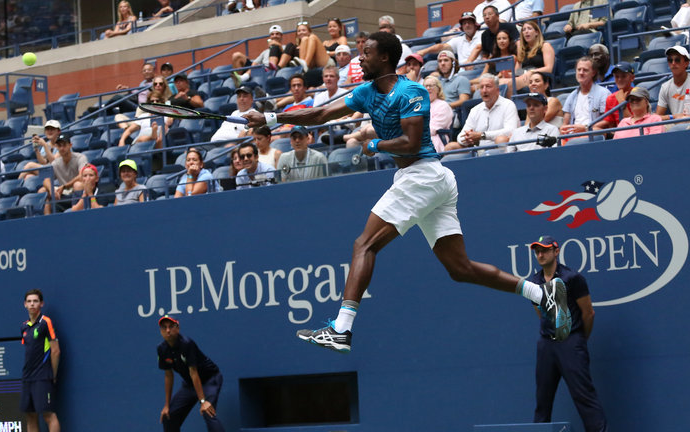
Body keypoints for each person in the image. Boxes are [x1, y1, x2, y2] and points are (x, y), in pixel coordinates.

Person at [244, 31, 571, 353]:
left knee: (364, 244)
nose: (360, 58)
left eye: (366, 52)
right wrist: (271, 118)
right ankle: (542, 295)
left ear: (384, 57)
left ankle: (341, 329)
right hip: (427, 180)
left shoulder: (411, 90)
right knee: (460, 269)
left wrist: (373, 143)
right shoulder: (365, 92)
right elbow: (320, 113)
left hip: (423, 176)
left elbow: (411, 143)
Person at [528, 236, 608, 432]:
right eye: (537, 251)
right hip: (546, 345)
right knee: (542, 401)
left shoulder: (573, 278)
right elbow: (541, 313)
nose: (540, 254)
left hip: (571, 342)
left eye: (545, 250)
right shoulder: (533, 282)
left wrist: (578, 339)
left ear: (556, 251)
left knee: (584, 397)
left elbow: (588, 313)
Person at [157, 315, 225, 432]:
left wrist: (203, 402)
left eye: (171, 327)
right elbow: (168, 375)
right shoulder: (162, 349)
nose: (167, 330)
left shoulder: (187, 344)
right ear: (161, 331)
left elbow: (194, 373)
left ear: (177, 328)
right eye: (164, 328)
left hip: (210, 380)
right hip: (189, 385)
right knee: (168, 416)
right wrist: (167, 405)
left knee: (207, 411)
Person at [20, 289, 61, 432]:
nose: (32, 304)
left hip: (43, 376)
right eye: (29, 301)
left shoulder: (45, 322)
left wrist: (53, 375)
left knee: (48, 415)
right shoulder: (24, 326)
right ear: (25, 304)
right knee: (30, 416)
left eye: (35, 301)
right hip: (27, 377)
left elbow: (55, 351)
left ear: (41, 304)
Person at [452, 73, 519, 151]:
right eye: (481, 87)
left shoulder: (508, 105)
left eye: (488, 86)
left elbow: (510, 131)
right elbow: (461, 136)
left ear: (497, 90)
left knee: (501, 140)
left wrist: (483, 135)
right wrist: (468, 139)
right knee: (451, 147)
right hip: (478, 149)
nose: (484, 90)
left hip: (499, 148)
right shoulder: (475, 110)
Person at [560, 57, 611, 137]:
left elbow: (607, 121)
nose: (581, 73)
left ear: (593, 73)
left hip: (593, 133)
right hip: (573, 135)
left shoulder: (604, 93)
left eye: (585, 70)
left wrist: (585, 128)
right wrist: (563, 129)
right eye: (579, 69)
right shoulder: (572, 96)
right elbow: (565, 123)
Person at [40, 135, 88, 215]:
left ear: (70, 145)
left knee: (77, 185)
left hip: (79, 190)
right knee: (43, 190)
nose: (62, 148)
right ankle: (48, 221)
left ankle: (79, 214)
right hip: (64, 193)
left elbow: (82, 176)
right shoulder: (56, 163)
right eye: (59, 146)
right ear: (56, 147)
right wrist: (52, 190)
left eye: (64, 145)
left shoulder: (80, 157)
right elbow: (46, 180)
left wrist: (65, 186)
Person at [656, 46, 690, 120]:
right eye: (670, 60)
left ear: (686, 63)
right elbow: (657, 118)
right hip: (673, 124)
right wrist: (673, 116)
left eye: (677, 60)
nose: (673, 63)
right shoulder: (665, 87)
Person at [415, 12, 481, 68]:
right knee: (434, 75)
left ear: (475, 25)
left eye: (469, 22)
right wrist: (424, 51)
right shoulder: (459, 40)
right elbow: (442, 47)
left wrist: (469, 62)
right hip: (461, 70)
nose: (467, 25)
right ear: (462, 27)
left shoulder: (481, 35)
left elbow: (478, 47)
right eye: (464, 23)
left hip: (477, 68)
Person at [514, 21, 555, 93]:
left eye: (529, 29)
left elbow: (549, 68)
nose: (526, 31)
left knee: (507, 84)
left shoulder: (545, 46)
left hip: (539, 77)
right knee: (502, 81)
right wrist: (507, 74)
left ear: (537, 32)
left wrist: (532, 71)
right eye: (524, 30)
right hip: (524, 76)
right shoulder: (523, 50)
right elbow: (517, 71)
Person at [593, 62, 634, 129]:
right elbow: (609, 123)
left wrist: (622, 103)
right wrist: (588, 128)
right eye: (617, 76)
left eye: (624, 76)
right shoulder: (610, 98)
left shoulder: (639, 95)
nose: (620, 79)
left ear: (632, 78)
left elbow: (634, 125)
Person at [424, 76, 454, 153]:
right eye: (425, 86)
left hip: (435, 140)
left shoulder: (443, 106)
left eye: (431, 86)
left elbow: (432, 129)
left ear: (438, 89)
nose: (428, 88)